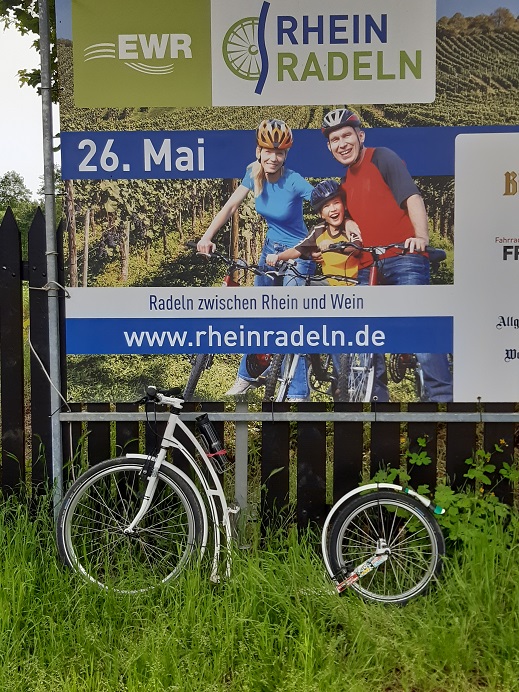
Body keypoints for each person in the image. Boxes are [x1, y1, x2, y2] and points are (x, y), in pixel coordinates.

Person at [321, 107, 453, 402]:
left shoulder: (382, 158)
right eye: (335, 140)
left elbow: (412, 197)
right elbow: (347, 217)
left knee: (418, 324)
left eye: (346, 136)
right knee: (360, 331)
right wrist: (347, 225)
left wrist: (421, 238)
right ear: (329, 147)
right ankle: (373, 398)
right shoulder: (345, 183)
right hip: (368, 265)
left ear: (360, 136)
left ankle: (442, 399)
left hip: (404, 256)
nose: (342, 144)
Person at [197, 119, 315, 400]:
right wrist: (207, 236)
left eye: (280, 152)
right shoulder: (253, 172)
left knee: (291, 322)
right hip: (269, 251)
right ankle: (247, 377)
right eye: (268, 151)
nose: (273, 158)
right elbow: (231, 206)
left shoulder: (294, 180)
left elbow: (326, 204)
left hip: (297, 255)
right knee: (260, 316)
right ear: (258, 151)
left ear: (286, 154)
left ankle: (298, 393)